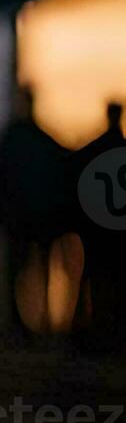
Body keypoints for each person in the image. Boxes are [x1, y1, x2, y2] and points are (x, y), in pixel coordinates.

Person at [0, 88, 67, 334]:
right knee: (27, 271)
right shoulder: (39, 138)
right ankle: (33, 320)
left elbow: (0, 180)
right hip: (35, 218)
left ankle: (23, 322)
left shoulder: (13, 138)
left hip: (24, 219)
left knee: (18, 271)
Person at [71, 102, 126, 349]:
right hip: (114, 234)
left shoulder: (93, 151)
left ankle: (89, 328)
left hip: (95, 231)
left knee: (93, 279)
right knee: (114, 281)